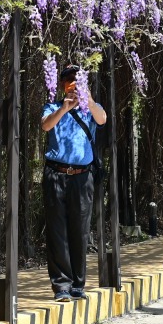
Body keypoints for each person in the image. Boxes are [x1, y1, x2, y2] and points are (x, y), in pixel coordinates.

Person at [39, 64, 107, 302]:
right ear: (61, 85)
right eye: (68, 80)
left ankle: (78, 284)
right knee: (57, 232)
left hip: (82, 176)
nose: (72, 85)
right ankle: (61, 287)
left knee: (80, 230)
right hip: (56, 174)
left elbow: (102, 118)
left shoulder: (90, 110)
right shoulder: (53, 107)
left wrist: (86, 99)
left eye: (76, 80)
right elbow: (46, 125)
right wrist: (65, 108)